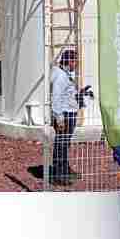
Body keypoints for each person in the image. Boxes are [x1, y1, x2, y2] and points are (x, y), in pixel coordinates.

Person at [49, 47, 90, 186]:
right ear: (68, 61)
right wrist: (59, 117)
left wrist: (80, 93)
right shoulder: (61, 76)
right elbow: (56, 97)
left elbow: (67, 93)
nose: (76, 64)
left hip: (69, 113)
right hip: (64, 115)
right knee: (60, 144)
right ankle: (58, 175)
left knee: (65, 144)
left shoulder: (65, 74)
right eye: (75, 61)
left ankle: (65, 170)